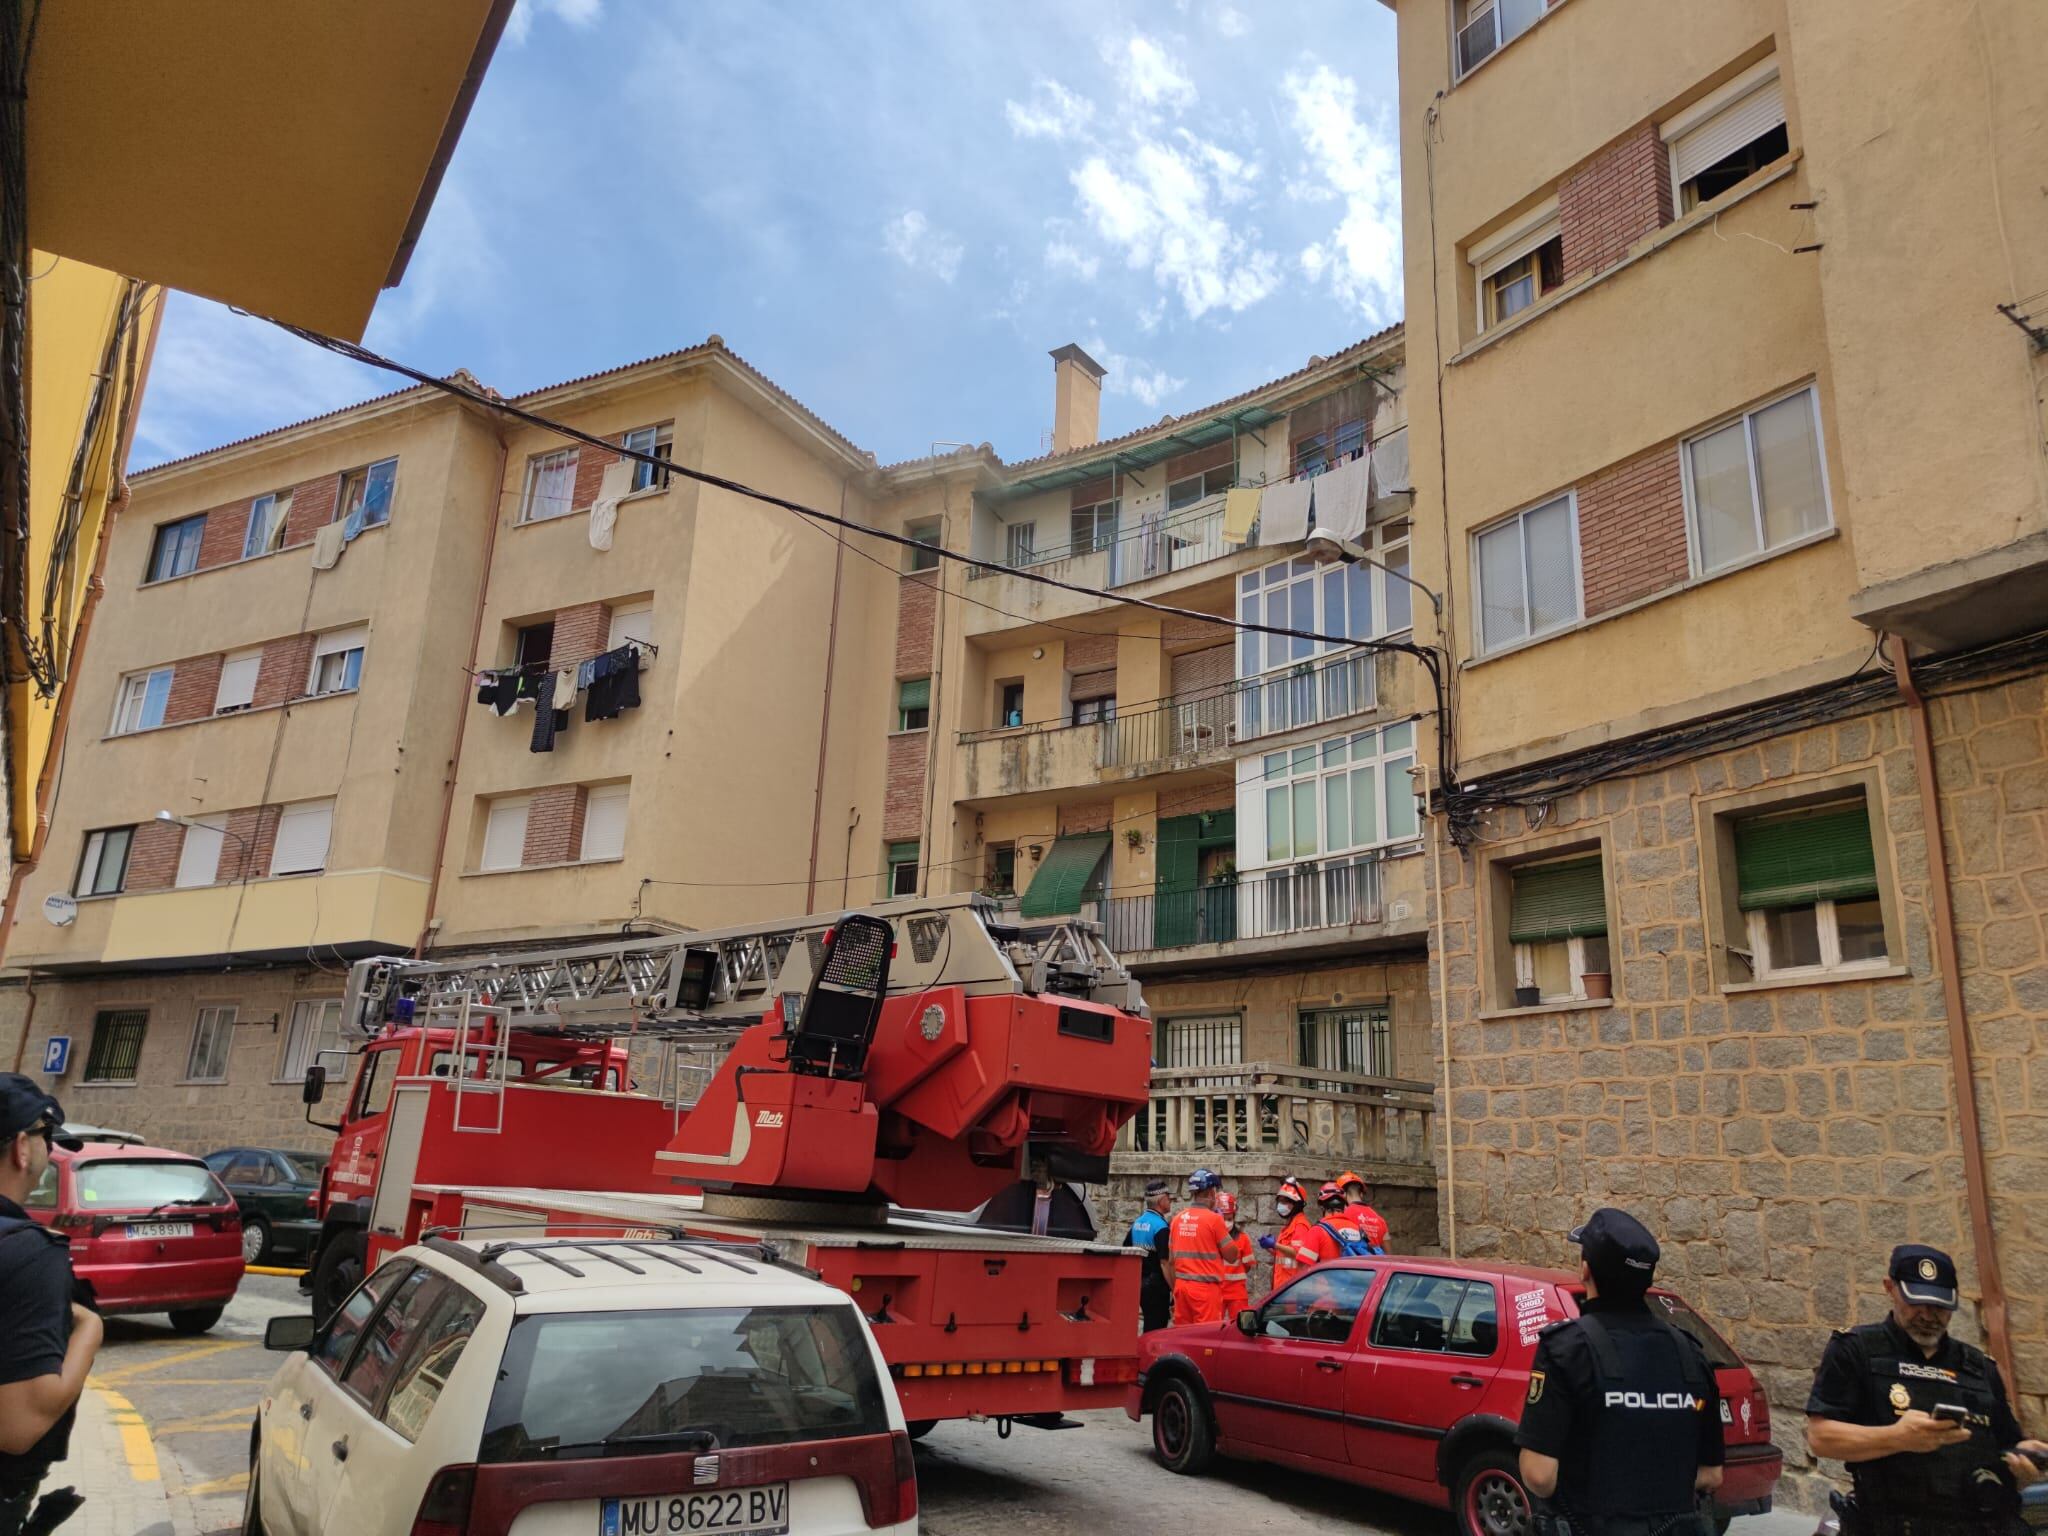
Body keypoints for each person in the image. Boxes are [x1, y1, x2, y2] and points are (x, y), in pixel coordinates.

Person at [1805, 1244, 2047, 1535]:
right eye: (1917, 1301)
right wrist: (1898, 1438)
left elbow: (2006, 1442)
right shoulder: (1857, 1351)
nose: (1928, 1314)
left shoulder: (1979, 1367)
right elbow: (1821, 1438)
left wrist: (2023, 1458)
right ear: (1890, 1288)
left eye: (1941, 1305)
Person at [1515, 1208, 1723, 1534]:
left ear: (1585, 1270)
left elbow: (1538, 1476)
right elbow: (1711, 1475)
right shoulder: (1690, 1354)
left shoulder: (1567, 1350)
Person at [0, 1076, 96, 1536]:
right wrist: (89, 1329)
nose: (50, 1153)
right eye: (45, 1139)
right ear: (22, 1147)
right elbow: (19, 1427)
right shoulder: (30, 1253)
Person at [1163, 1169, 1238, 1326]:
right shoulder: (1214, 1220)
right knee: (1205, 1339)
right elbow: (1232, 1256)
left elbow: (1170, 1262)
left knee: (1183, 1336)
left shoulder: (1177, 1220)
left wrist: (1176, 1289)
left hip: (1181, 1288)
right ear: (1211, 1193)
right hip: (1206, 1290)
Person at [1126, 1180, 1174, 1333]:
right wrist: (1175, 1287)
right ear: (1161, 1201)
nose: (1170, 1201)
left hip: (1140, 1284)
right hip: (1156, 1288)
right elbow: (1165, 1262)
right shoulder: (1160, 1227)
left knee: (1148, 1325)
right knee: (1156, 1329)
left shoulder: (1137, 1223)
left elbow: (1126, 1250)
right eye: (1168, 1197)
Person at [1257, 1179, 1318, 1287]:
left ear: (1297, 1204)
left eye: (1285, 1201)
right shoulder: (1290, 1225)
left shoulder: (1300, 1226)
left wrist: (1275, 1244)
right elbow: (1284, 1255)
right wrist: (1271, 1248)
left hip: (1292, 1288)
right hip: (1283, 1286)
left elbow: (1298, 1253)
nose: (1281, 1205)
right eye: (1280, 1201)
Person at [1300, 1181, 1375, 1263]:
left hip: (1327, 1275)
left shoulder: (1317, 1231)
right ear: (1344, 1205)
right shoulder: (1358, 1230)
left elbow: (1304, 1265)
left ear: (1322, 1206)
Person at [1214, 1192, 1254, 1319]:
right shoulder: (1210, 1238)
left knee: (1238, 1328)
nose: (1226, 1223)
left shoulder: (1243, 1239)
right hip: (1216, 1292)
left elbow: (1248, 1266)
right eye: (1223, 1218)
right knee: (1213, 1329)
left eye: (1230, 1219)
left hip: (1237, 1293)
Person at [1335, 1170, 1389, 1252]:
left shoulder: (1343, 1216)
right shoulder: (1380, 1220)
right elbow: (1388, 1253)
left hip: (1352, 1263)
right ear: (1361, 1194)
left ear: (1343, 1194)